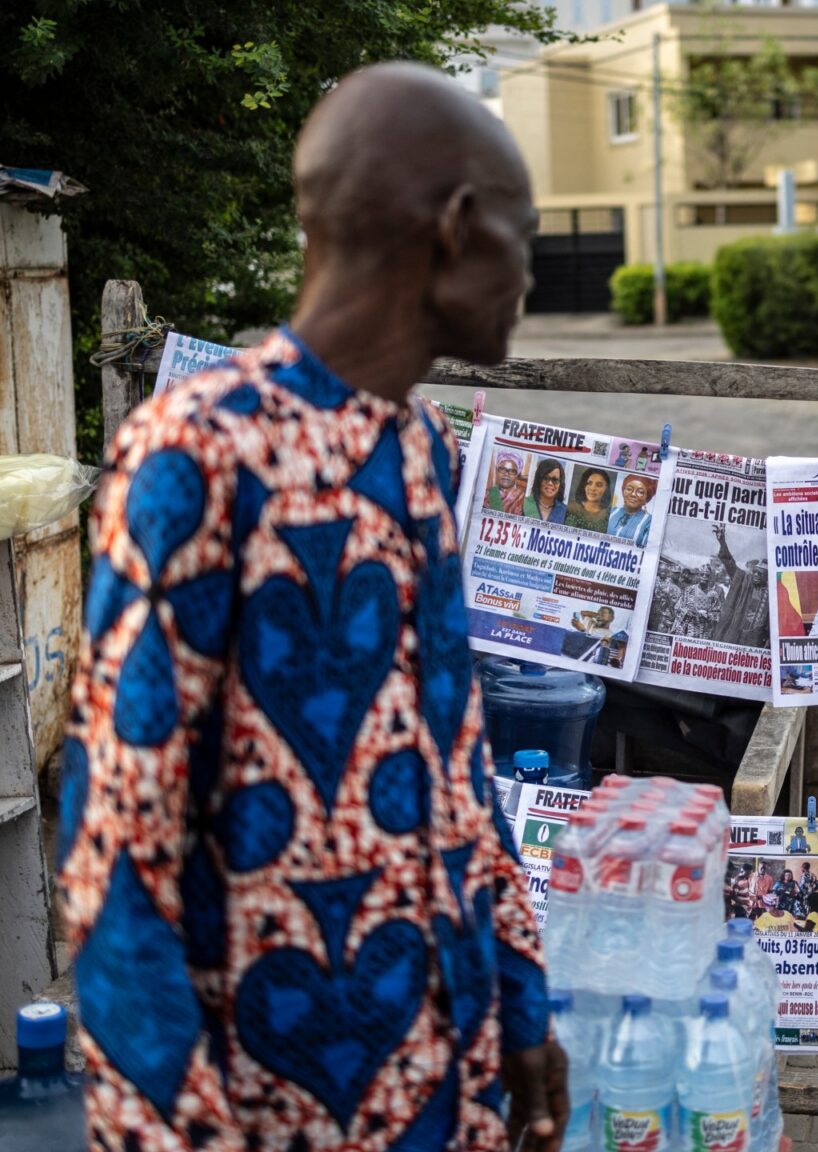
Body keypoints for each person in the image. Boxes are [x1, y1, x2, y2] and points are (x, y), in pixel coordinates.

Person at [55, 63, 566, 1152]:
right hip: (266, 1107)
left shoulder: (421, 450)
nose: (531, 274)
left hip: (449, 1088)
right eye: (524, 236)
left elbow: (457, 760)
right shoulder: (199, 451)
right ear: (456, 228)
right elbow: (118, 849)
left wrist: (522, 1001)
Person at [711, 523, 772, 649]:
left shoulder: (771, 594)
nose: (755, 574)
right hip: (734, 636)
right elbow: (730, 563)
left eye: (760, 573)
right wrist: (722, 542)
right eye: (754, 571)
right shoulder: (745, 581)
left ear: (767, 576)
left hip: (754, 642)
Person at [608, 475, 655, 545]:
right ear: (623, 492)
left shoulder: (650, 522)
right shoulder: (610, 512)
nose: (633, 494)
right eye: (629, 489)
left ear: (646, 499)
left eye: (640, 492)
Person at [564, 466, 613, 532]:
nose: (592, 488)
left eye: (599, 485)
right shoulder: (569, 508)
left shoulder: (609, 516)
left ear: (606, 489)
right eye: (589, 483)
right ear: (584, 486)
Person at [523, 457, 567, 523]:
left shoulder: (565, 511)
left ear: (560, 484)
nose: (550, 483)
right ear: (539, 480)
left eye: (555, 480)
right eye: (546, 478)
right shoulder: (524, 504)